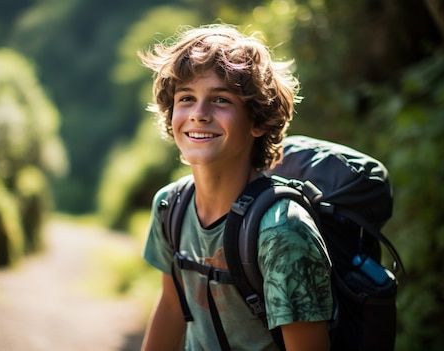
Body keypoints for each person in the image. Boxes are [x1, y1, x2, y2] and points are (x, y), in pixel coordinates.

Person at [138, 24, 333, 351]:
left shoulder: (283, 231)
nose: (199, 115)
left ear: (257, 121)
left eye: (220, 100)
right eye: (186, 98)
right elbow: (172, 308)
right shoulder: (170, 207)